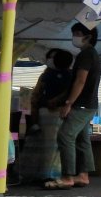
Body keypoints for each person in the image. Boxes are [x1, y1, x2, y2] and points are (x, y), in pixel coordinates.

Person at [46, 23, 101, 190]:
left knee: (65, 136)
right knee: (82, 139)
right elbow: (77, 83)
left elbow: (80, 81)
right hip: (88, 104)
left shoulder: (86, 55)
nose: (74, 37)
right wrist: (60, 99)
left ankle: (67, 176)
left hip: (81, 104)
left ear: (88, 36)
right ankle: (83, 175)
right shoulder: (92, 54)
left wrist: (68, 103)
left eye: (77, 33)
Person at [28, 48, 73, 184]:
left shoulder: (68, 75)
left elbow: (68, 92)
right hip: (46, 113)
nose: (52, 60)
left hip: (58, 112)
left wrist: (55, 101)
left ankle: (51, 173)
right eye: (50, 57)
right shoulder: (46, 75)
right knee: (47, 145)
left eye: (55, 57)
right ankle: (44, 173)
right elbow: (36, 96)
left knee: (53, 144)